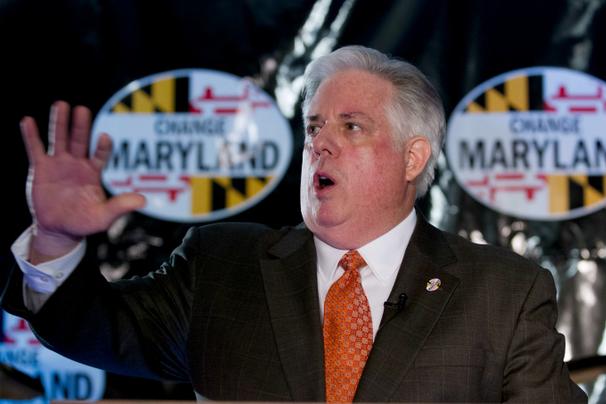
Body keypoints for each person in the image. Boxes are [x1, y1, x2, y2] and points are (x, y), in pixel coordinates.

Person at [1, 45, 586, 402]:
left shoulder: (503, 293)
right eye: (313, 127)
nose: (320, 143)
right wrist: (56, 239)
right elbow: (89, 326)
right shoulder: (221, 265)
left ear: (413, 158)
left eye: (351, 126)